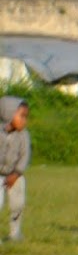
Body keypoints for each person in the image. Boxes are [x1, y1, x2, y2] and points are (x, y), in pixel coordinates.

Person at [0, 97, 29, 242]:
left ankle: (15, 233)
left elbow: (24, 156)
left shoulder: (23, 135)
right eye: (21, 116)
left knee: (18, 204)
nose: (25, 121)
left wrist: (16, 173)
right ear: (9, 114)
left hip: (15, 174)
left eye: (26, 117)